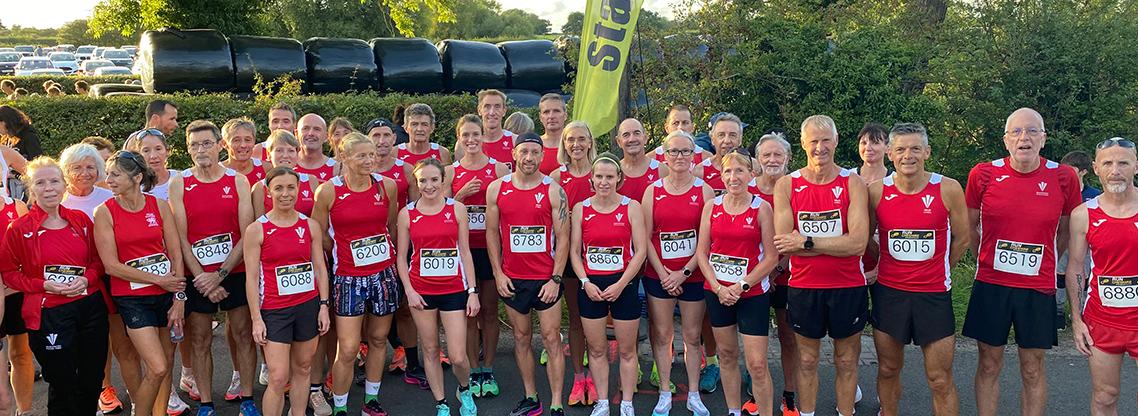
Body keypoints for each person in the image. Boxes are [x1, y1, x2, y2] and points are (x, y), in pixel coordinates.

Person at [962, 108, 1080, 416]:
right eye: (1016, 131)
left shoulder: (1063, 176)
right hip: (991, 284)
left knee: (1032, 367)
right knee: (989, 363)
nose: (1023, 137)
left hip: (1037, 286)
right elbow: (969, 226)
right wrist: (984, 258)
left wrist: (1046, 259)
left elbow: (1066, 230)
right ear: (1005, 140)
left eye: (1031, 131)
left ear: (1044, 138)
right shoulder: (983, 174)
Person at [867, 123, 968, 416]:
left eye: (915, 149)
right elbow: (865, 239)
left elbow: (962, 239)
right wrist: (884, 259)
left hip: (933, 295)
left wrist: (941, 267)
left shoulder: (948, 188)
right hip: (890, 294)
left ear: (927, 152)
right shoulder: (876, 191)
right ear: (889, 154)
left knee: (939, 379)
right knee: (888, 369)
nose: (907, 155)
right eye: (900, 149)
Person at [773, 115, 870, 416]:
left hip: (848, 286)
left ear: (836, 141)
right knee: (806, 360)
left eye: (826, 140)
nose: (820, 147)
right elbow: (785, 244)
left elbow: (857, 244)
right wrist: (834, 244)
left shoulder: (853, 182)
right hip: (804, 287)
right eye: (813, 141)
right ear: (803, 143)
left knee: (846, 360)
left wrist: (806, 242)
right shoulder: (787, 185)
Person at [0, 156, 107, 416]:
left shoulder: (81, 220)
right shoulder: (19, 228)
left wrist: (87, 279)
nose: (48, 188)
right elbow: (9, 274)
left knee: (92, 379)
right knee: (62, 382)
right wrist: (43, 285)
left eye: (54, 181)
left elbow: (98, 261)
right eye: (40, 183)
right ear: (31, 188)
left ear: (64, 185)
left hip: (89, 307)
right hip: (49, 313)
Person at [168, 120, 258, 416]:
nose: (200, 150)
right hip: (198, 275)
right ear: (187, 149)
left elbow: (247, 233)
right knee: (199, 338)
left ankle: (247, 398)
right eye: (194, 145)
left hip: (234, 270)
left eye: (207, 143)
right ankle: (206, 404)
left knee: (243, 334)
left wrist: (219, 275)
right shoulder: (180, 182)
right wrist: (203, 278)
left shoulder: (238, 181)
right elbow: (180, 238)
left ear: (220, 145)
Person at [313, 133, 400, 416]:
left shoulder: (386, 186)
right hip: (348, 277)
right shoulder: (328, 191)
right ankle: (340, 405)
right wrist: (342, 249)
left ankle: (371, 400)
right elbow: (317, 233)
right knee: (349, 348)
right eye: (361, 155)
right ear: (344, 157)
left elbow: (391, 226)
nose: (369, 160)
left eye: (371, 154)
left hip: (383, 274)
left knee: (378, 339)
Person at [93, 150, 186, 416]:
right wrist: (158, 280)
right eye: (108, 174)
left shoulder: (159, 206)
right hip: (133, 299)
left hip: (167, 295)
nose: (109, 180)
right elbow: (111, 266)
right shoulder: (105, 212)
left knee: (166, 365)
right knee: (157, 366)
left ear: (136, 177)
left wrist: (179, 299)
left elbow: (176, 253)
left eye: (115, 175)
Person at [486, 132, 569, 416]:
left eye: (535, 152)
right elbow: (491, 233)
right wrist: (498, 274)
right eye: (524, 152)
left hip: (545, 279)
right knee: (521, 338)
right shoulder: (497, 188)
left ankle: (556, 403)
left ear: (542, 155)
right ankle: (531, 397)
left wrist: (556, 278)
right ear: (514, 154)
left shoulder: (553, 190)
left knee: (551, 338)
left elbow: (564, 237)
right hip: (513, 279)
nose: (529, 157)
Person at [695, 151, 779, 416]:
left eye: (739, 171)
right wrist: (718, 287)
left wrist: (741, 285)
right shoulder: (712, 206)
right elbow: (702, 253)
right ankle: (733, 410)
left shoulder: (761, 208)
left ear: (751, 174)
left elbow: (772, 257)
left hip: (751, 294)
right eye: (728, 171)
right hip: (718, 293)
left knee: (757, 365)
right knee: (727, 355)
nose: (733, 177)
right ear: (722, 176)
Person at [243, 166, 331, 416]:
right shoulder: (256, 230)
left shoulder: (310, 225)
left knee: (303, 368)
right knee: (279, 377)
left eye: (291, 187)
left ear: (298, 189)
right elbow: (251, 278)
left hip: (307, 305)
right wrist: (256, 319)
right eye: (279, 188)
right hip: (274, 310)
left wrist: (324, 306)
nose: (285, 193)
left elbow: (320, 269)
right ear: (268, 191)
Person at [396, 158, 480, 416]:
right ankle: (441, 402)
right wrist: (409, 291)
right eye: (423, 180)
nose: (429, 185)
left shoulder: (457, 209)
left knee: (458, 356)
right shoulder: (407, 213)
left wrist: (472, 292)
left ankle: (464, 389)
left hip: (453, 290)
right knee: (431, 349)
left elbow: (465, 252)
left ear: (443, 181)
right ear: (416, 183)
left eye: (434, 180)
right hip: (421, 291)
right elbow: (401, 257)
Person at [642, 131, 715, 416]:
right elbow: (646, 237)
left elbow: (706, 241)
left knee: (692, 336)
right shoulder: (653, 191)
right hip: (658, 275)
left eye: (686, 151)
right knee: (662, 335)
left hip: (693, 275)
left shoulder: (704, 191)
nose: (680, 157)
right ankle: (664, 391)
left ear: (694, 155)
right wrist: (664, 274)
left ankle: (694, 394)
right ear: (665, 155)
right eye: (674, 151)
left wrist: (682, 273)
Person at [1065, 137, 1138, 416]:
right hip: (1103, 320)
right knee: (1105, 397)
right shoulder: (1083, 214)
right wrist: (1076, 320)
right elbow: (1075, 267)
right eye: (1108, 163)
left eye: (1123, 163)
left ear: (1136, 166)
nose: (1115, 171)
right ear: (1096, 168)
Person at [570, 157, 648, 416]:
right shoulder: (581, 208)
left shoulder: (631, 207)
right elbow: (575, 252)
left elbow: (640, 251)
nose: (604, 182)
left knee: (627, 350)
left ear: (618, 179)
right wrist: (585, 282)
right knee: (596, 349)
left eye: (609, 177)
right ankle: (602, 401)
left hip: (623, 284)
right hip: (591, 286)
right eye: (599, 177)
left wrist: (621, 284)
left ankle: (627, 403)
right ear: (592, 179)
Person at [59, 143, 127, 413]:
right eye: (77, 168)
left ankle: (135, 387)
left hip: (112, 274)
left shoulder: (109, 196)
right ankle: (104, 388)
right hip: (76, 281)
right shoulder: (58, 199)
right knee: (92, 341)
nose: (85, 173)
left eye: (90, 167)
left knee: (120, 338)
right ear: (66, 170)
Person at [445, 115, 509, 399]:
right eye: (466, 135)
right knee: (470, 314)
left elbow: (508, 208)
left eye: (475, 134)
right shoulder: (450, 172)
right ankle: (472, 370)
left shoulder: (499, 169)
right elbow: (442, 212)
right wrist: (459, 195)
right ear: (459, 138)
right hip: (463, 251)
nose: (471, 140)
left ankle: (488, 369)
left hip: (490, 249)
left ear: (483, 136)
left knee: (490, 311)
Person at [752, 132, 801, 416]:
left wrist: (775, 269)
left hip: (786, 275)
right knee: (754, 338)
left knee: (787, 335)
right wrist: (760, 274)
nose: (772, 160)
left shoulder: (796, 187)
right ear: (758, 159)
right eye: (766, 155)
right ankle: (756, 390)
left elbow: (800, 234)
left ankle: (789, 393)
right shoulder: (746, 187)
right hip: (753, 277)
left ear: (788, 158)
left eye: (777, 154)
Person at [548, 120, 596, 406]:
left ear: (590, 142)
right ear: (564, 144)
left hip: (600, 257)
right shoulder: (556, 177)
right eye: (570, 140)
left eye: (581, 139)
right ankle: (579, 378)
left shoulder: (601, 172)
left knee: (599, 322)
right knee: (577, 319)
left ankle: (600, 375)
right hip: (568, 257)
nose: (576, 144)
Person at [1055, 150, 1102, 329]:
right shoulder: (1057, 191)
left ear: (1083, 171)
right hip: (1063, 240)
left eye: (1071, 169)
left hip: (1085, 244)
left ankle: (1080, 312)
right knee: (1059, 275)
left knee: (1082, 276)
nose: (1066, 173)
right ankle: (1058, 311)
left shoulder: (1094, 195)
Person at [252, 131, 320, 217]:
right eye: (279, 150)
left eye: (291, 151)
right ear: (269, 154)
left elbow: (318, 219)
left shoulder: (311, 181)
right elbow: (260, 222)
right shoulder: (259, 188)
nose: (285, 155)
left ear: (297, 154)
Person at [366, 118, 416, 215]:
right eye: (376, 135)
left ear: (394, 138)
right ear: (367, 139)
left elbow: (415, 208)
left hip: (399, 223)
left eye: (386, 135)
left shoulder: (407, 170)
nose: (381, 141)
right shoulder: (359, 170)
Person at [614, 118, 665, 202]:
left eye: (637, 133)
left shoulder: (661, 170)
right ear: (619, 141)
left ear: (645, 138)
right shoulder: (614, 172)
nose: (632, 139)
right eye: (626, 135)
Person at [125, 129, 178, 201]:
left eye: (158, 149)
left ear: (167, 151)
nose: (153, 156)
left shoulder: (180, 179)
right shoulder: (135, 187)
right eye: (146, 151)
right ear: (139, 154)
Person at [472, 89, 515, 170]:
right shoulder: (466, 143)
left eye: (497, 107)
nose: (492, 112)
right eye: (487, 107)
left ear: (504, 111)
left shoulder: (515, 141)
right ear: (479, 110)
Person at [221, 118, 267, 185]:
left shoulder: (266, 169)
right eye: (236, 140)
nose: (243, 145)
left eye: (247, 140)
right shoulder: (215, 173)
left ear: (254, 141)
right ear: (224, 144)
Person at [294, 114, 339, 182]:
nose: (311, 133)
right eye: (305, 128)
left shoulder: (337, 169)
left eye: (317, 129)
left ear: (326, 136)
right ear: (296, 134)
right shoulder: (288, 164)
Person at [537, 94, 567, 174]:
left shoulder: (575, 146)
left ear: (565, 115)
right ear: (540, 117)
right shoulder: (533, 145)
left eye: (556, 111)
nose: (551, 116)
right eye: (546, 112)